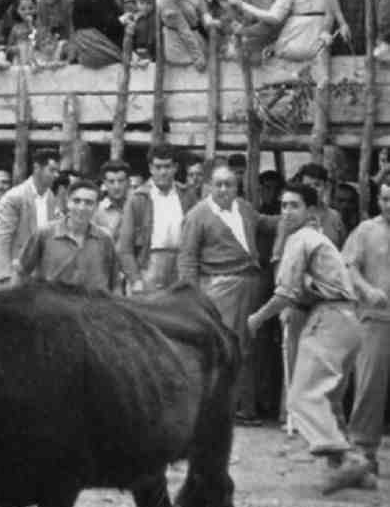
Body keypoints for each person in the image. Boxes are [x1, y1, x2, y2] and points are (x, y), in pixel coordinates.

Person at [247, 183, 374, 494]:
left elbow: (285, 293)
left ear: (310, 210)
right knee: (327, 398)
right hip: (346, 320)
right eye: (283, 205)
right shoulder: (316, 238)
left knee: (302, 397)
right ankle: (355, 470)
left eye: (294, 206)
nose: (287, 212)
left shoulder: (301, 239)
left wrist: (256, 318)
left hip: (330, 318)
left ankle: (347, 459)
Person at [178, 163, 275, 423]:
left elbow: (264, 223)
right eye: (218, 184)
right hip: (220, 288)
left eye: (228, 184)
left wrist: (291, 218)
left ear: (236, 186)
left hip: (249, 285)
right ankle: (221, 410)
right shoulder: (198, 215)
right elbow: (187, 259)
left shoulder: (243, 207)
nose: (223, 189)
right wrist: (191, 298)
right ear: (209, 185)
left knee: (248, 348)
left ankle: (245, 407)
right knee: (224, 348)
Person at [339, 176, 390, 479]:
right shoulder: (366, 231)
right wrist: (366, 289)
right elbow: (348, 266)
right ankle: (363, 451)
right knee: (370, 386)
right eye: (384, 199)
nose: (388, 205)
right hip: (375, 320)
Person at [118, 144, 197, 294]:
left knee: (178, 315)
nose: (163, 172)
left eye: (167, 167)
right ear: (151, 168)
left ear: (175, 167)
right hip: (148, 266)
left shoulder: (187, 195)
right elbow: (125, 247)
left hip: (180, 266)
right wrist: (135, 279)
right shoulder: (138, 198)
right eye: (158, 167)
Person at [18, 178, 120, 291]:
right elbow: (22, 271)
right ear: (67, 202)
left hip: (95, 306)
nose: (82, 208)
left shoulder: (105, 239)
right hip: (54, 306)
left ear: (96, 207)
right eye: (76, 201)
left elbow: (115, 283)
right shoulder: (45, 234)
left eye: (89, 203)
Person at [0, 148, 61, 288]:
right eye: (51, 170)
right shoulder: (14, 197)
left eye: (57, 171)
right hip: (15, 273)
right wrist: (4, 276)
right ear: (37, 168)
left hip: (41, 275)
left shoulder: (51, 197)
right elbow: (2, 240)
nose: (56, 175)